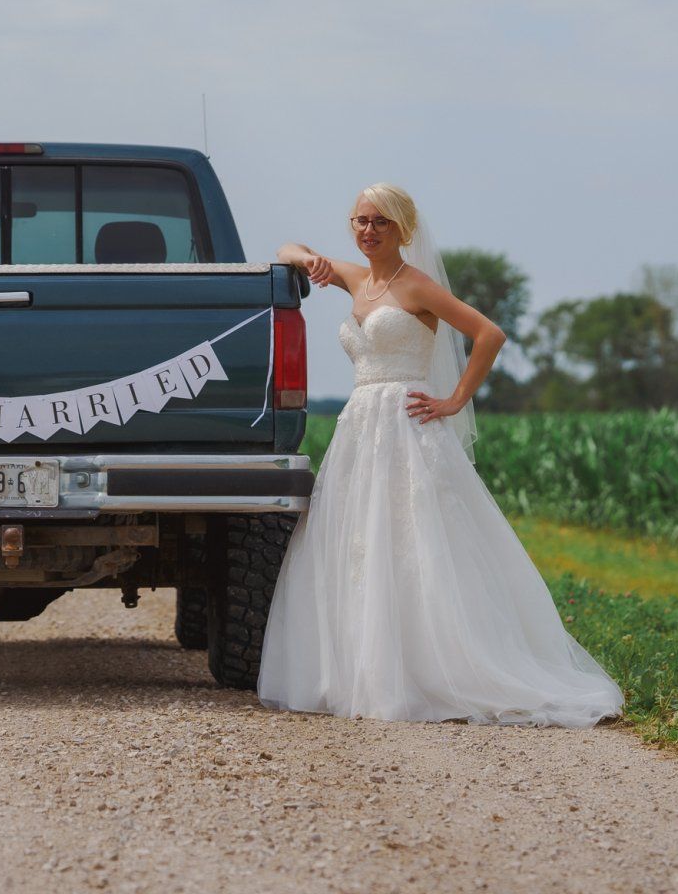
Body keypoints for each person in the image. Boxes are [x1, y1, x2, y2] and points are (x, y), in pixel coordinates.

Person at [257, 184, 621, 726]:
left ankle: (438, 668)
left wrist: (454, 400)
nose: (368, 231)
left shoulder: (418, 286)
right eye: (360, 221)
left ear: (403, 229)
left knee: (414, 540)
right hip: (359, 426)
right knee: (360, 542)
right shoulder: (357, 278)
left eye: (380, 222)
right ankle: (363, 669)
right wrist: (306, 258)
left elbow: (488, 334)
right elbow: (285, 248)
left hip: (406, 423)